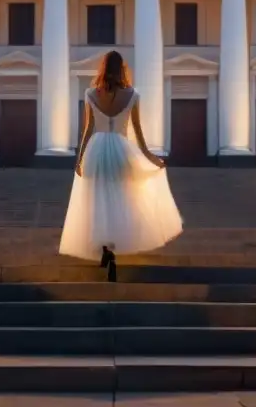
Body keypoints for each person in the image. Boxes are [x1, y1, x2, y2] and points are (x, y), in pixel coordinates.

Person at [59, 50, 184, 281]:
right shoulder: (133, 95)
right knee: (120, 198)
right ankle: (113, 249)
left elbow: (87, 130)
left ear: (103, 68)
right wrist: (152, 158)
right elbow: (137, 133)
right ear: (122, 69)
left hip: (96, 150)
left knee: (99, 199)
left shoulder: (90, 94)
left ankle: (105, 250)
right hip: (121, 150)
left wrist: (79, 159)